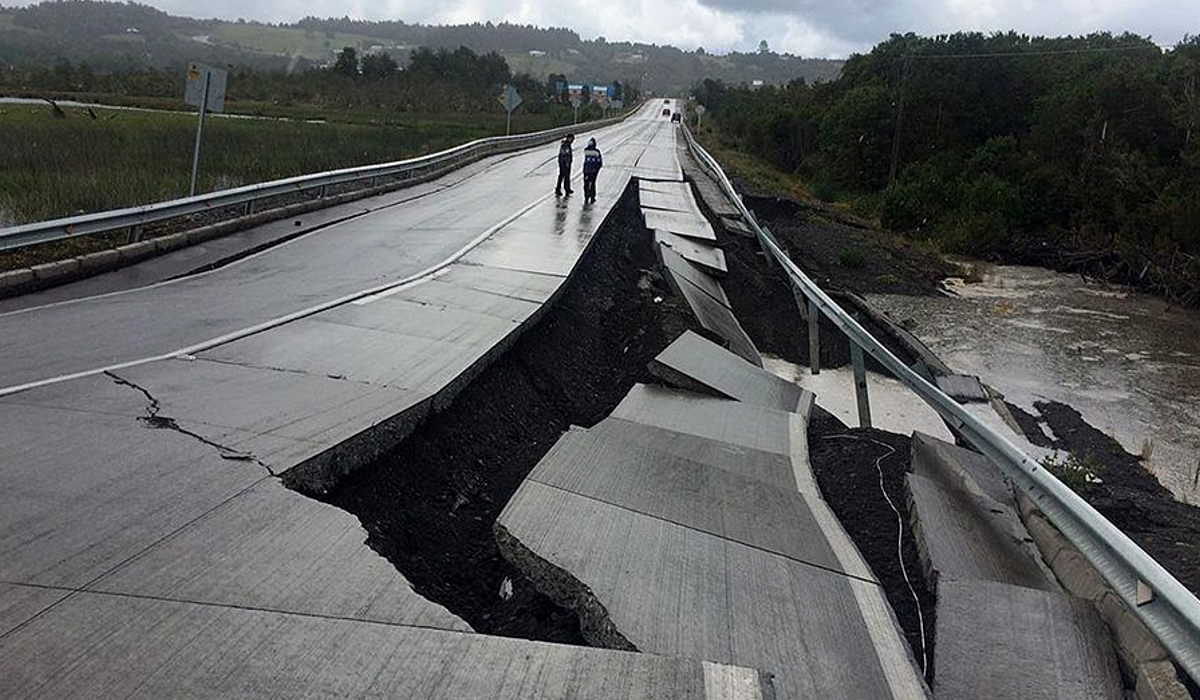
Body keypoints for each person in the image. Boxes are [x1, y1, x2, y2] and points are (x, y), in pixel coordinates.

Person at [582, 137, 603, 203]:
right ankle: (592, 197)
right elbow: (599, 162)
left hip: (586, 170)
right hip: (594, 170)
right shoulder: (597, 151)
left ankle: (586, 197)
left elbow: (585, 161)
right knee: (593, 183)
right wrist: (597, 168)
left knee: (586, 184)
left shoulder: (586, 150)